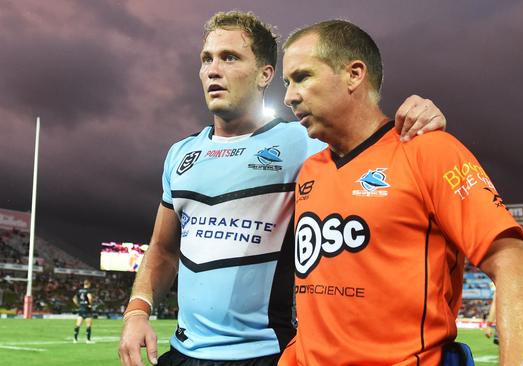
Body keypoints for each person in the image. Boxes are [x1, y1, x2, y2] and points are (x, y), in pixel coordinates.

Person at [118, 11, 447, 366]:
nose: (213, 69)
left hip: (264, 353)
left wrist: (418, 118)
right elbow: (163, 251)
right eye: (206, 59)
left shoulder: (304, 142)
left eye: (230, 57)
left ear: (265, 74)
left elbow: (373, 144)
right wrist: (137, 311)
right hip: (182, 354)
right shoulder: (180, 154)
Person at [280, 20, 523, 365]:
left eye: (302, 77)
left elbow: (514, 263)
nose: (289, 96)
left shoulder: (429, 151)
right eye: (287, 83)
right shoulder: (309, 171)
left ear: (354, 74)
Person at [72, 279, 94, 344]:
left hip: (81, 309)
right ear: (89, 284)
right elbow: (89, 297)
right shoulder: (88, 291)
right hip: (87, 309)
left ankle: (75, 339)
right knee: (88, 325)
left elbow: (74, 299)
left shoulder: (79, 291)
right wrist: (90, 304)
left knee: (78, 325)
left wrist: (78, 305)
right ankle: (88, 340)